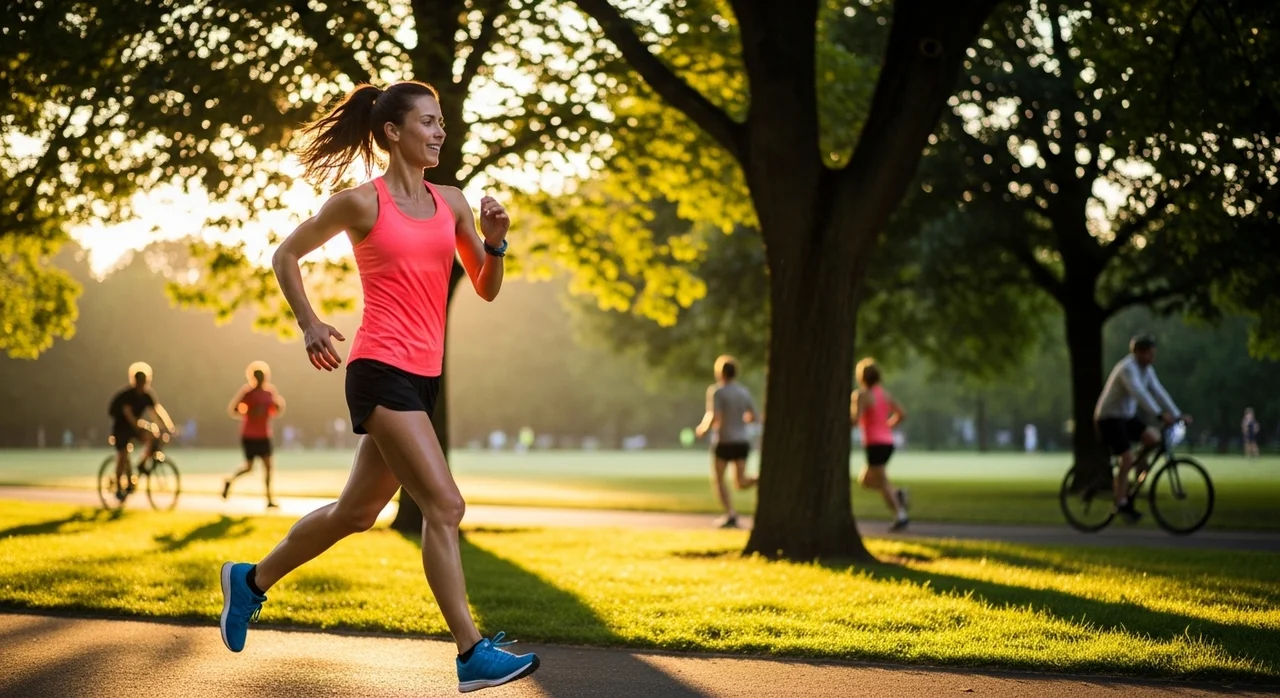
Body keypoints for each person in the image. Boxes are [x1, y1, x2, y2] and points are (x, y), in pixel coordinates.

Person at [216, 81, 538, 692]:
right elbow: (286, 255)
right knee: (445, 506)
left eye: (441, 122)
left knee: (356, 513)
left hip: (423, 378)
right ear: (393, 132)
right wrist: (310, 323)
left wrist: (495, 242)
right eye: (427, 122)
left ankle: (248, 580)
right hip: (379, 369)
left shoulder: (453, 203)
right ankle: (471, 653)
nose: (439, 131)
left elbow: (487, 285)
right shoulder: (361, 204)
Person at [1094, 335, 1192, 523]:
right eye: (1149, 354)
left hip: (1126, 417)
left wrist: (1177, 414)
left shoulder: (1146, 369)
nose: (1152, 358)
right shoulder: (1127, 369)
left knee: (1153, 439)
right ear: (1138, 352)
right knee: (1127, 457)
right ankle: (1121, 500)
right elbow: (1139, 393)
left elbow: (1158, 391)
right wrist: (1159, 415)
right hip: (1109, 418)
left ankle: (1131, 470)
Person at [694, 355, 758, 529]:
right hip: (742, 441)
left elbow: (714, 415)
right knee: (741, 481)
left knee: (719, 480)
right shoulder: (743, 392)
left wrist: (703, 429)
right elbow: (754, 416)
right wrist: (741, 419)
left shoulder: (718, 391)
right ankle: (761, 480)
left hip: (724, 441)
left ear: (720, 373)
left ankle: (730, 514)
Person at [850, 359, 909, 531]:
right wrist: (887, 426)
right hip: (887, 442)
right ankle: (897, 495)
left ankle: (900, 514)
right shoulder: (883, 394)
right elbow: (901, 414)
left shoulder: (862, 395)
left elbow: (855, 419)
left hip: (875, 443)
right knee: (867, 480)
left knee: (880, 481)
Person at [106, 362, 176, 500]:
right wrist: (139, 427)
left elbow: (156, 411)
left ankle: (143, 463)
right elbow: (128, 414)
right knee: (123, 454)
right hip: (121, 428)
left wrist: (168, 427)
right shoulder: (127, 395)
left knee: (153, 435)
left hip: (134, 427)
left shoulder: (146, 395)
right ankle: (119, 486)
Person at [222, 361, 287, 509]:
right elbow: (233, 409)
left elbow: (275, 410)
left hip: (264, 435)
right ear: (253, 378)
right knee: (249, 467)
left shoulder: (270, 392)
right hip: (250, 435)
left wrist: (278, 406)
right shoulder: (247, 393)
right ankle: (229, 481)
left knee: (268, 467)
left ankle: (269, 499)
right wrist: (249, 411)